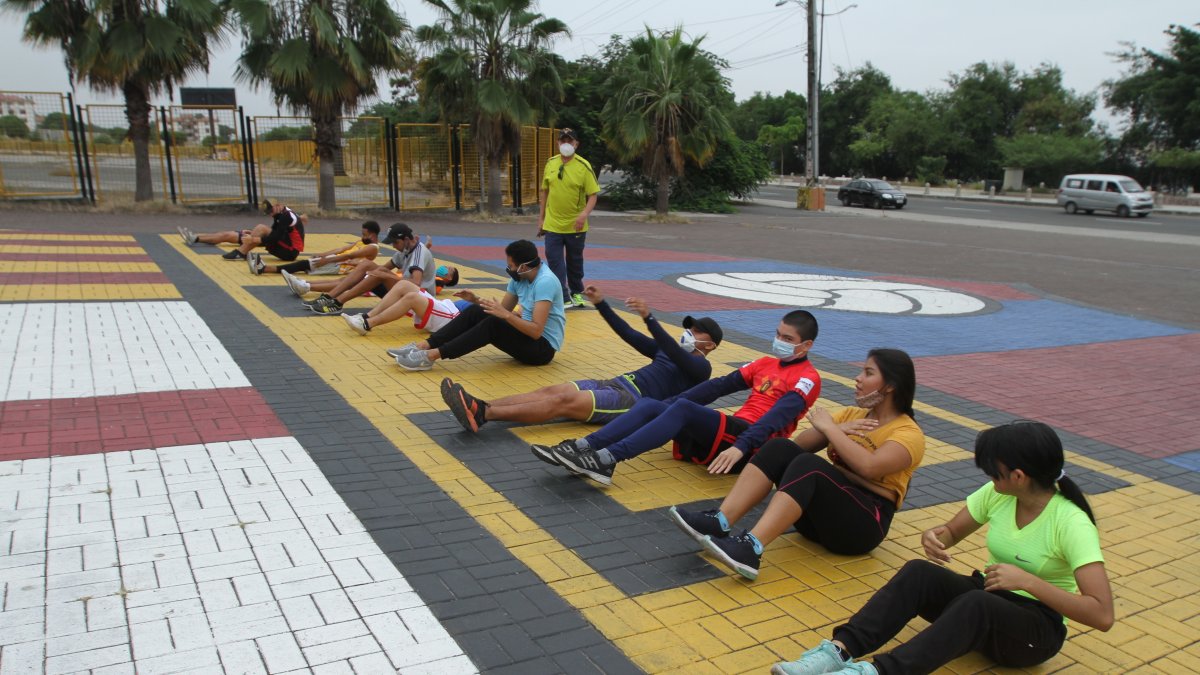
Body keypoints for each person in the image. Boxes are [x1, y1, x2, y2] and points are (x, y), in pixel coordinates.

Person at [771, 420, 1114, 675]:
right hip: (990, 599)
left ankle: (879, 672)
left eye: (994, 472)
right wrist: (935, 537)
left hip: (1035, 631)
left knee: (977, 602)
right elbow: (951, 531)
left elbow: (1101, 615)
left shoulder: (1071, 523)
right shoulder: (999, 494)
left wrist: (1028, 582)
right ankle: (838, 651)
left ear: (1019, 476)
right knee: (919, 573)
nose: (989, 478)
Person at [670, 348, 924, 581]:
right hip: (817, 522)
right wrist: (837, 428)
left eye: (868, 373)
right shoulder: (852, 415)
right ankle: (720, 521)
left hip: (861, 528)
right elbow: (799, 445)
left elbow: (869, 467)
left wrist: (831, 429)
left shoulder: (907, 433)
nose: (858, 378)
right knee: (779, 447)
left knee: (809, 466)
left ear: (890, 385)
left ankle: (751, 548)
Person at [534, 310, 822, 487]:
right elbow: (717, 387)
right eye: (778, 335)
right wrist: (664, 408)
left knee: (682, 407)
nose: (779, 341)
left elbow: (775, 420)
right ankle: (582, 447)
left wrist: (741, 446)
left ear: (806, 345)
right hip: (732, 435)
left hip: (751, 446)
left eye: (787, 339)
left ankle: (606, 460)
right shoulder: (764, 363)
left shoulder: (807, 378)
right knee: (652, 404)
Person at [439, 284, 722, 433]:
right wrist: (602, 305)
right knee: (550, 391)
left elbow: (673, 351)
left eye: (697, 331)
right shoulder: (667, 351)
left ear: (710, 345)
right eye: (690, 328)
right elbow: (628, 334)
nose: (690, 333)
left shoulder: (701, 367)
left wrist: (650, 318)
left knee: (562, 403)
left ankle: (485, 414)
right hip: (616, 383)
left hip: (632, 402)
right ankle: (481, 405)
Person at [392, 239, 566, 371]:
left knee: (493, 325)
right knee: (477, 311)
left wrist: (506, 315)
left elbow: (536, 331)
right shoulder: (519, 278)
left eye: (511, 266)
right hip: (525, 337)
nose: (509, 270)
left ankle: (431, 356)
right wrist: (476, 300)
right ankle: (423, 346)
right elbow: (500, 311)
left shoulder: (545, 282)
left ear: (524, 267)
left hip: (541, 349)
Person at [305, 223, 436, 315]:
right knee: (367, 265)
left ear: (406, 239)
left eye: (395, 242)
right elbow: (382, 268)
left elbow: (416, 283)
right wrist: (363, 270)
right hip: (404, 293)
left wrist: (386, 276)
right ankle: (330, 297)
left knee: (378, 274)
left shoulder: (419, 253)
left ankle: (338, 302)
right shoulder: (405, 250)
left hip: (419, 301)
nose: (394, 246)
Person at [538, 128, 599, 309]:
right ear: (557, 143)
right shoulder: (551, 163)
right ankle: (562, 296)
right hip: (553, 223)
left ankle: (576, 292)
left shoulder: (583, 166)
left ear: (576, 144)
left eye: (569, 141)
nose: (566, 144)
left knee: (575, 261)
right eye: (562, 141)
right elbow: (545, 192)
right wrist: (541, 219)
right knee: (554, 259)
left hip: (576, 225)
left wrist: (584, 214)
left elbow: (593, 195)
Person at [178, 200, 305, 261]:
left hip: (290, 252)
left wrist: (254, 239)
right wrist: (252, 235)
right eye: (268, 212)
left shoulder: (287, 216)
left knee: (260, 228)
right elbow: (275, 231)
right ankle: (195, 238)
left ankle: (241, 252)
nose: (270, 214)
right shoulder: (280, 213)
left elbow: (275, 237)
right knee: (230, 235)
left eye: (271, 211)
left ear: (279, 206)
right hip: (281, 243)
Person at [341, 279, 470, 336]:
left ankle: (366, 324)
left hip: (452, 317)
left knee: (411, 297)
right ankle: (365, 317)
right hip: (446, 305)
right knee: (403, 284)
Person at [248, 221, 380, 276]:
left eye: (365, 234)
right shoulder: (361, 241)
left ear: (373, 235)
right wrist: (322, 255)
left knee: (303, 265)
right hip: (336, 260)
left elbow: (349, 256)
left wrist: (327, 260)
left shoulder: (372, 248)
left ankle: (264, 268)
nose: (362, 236)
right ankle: (263, 268)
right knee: (304, 265)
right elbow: (341, 249)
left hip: (340, 265)